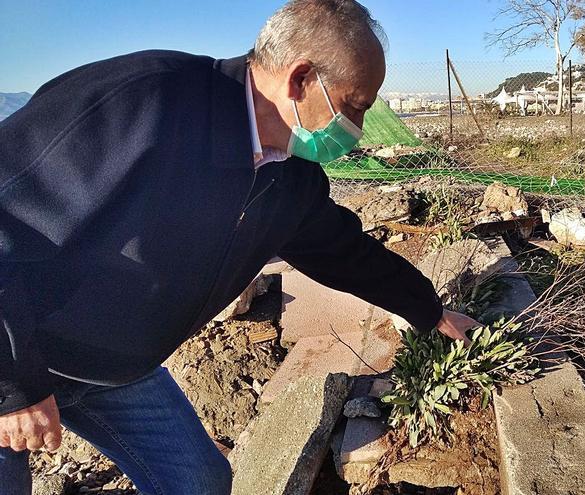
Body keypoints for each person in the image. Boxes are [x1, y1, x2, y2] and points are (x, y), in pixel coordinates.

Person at [0, 1, 478, 493]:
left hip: (114, 368)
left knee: (200, 483)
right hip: (13, 345)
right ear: (300, 80)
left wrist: (431, 311)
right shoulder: (146, 102)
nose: (356, 126)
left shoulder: (290, 178)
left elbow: (345, 253)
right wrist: (13, 387)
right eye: (354, 105)